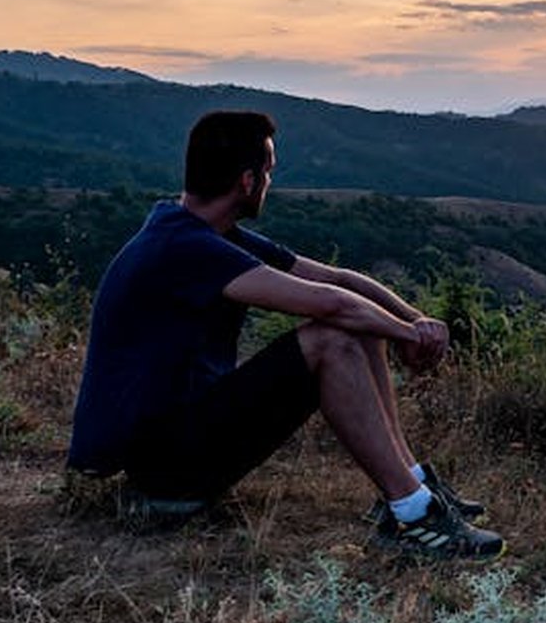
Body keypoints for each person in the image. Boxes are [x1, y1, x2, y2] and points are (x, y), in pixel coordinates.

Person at [66, 109, 502, 561]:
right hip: (163, 468)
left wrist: (415, 321)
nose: (271, 183)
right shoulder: (184, 247)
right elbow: (331, 306)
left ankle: (413, 484)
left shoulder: (200, 230)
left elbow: (338, 282)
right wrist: (408, 335)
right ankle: (414, 517)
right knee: (334, 337)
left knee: (361, 323)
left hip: (178, 443)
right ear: (249, 182)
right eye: (269, 173)